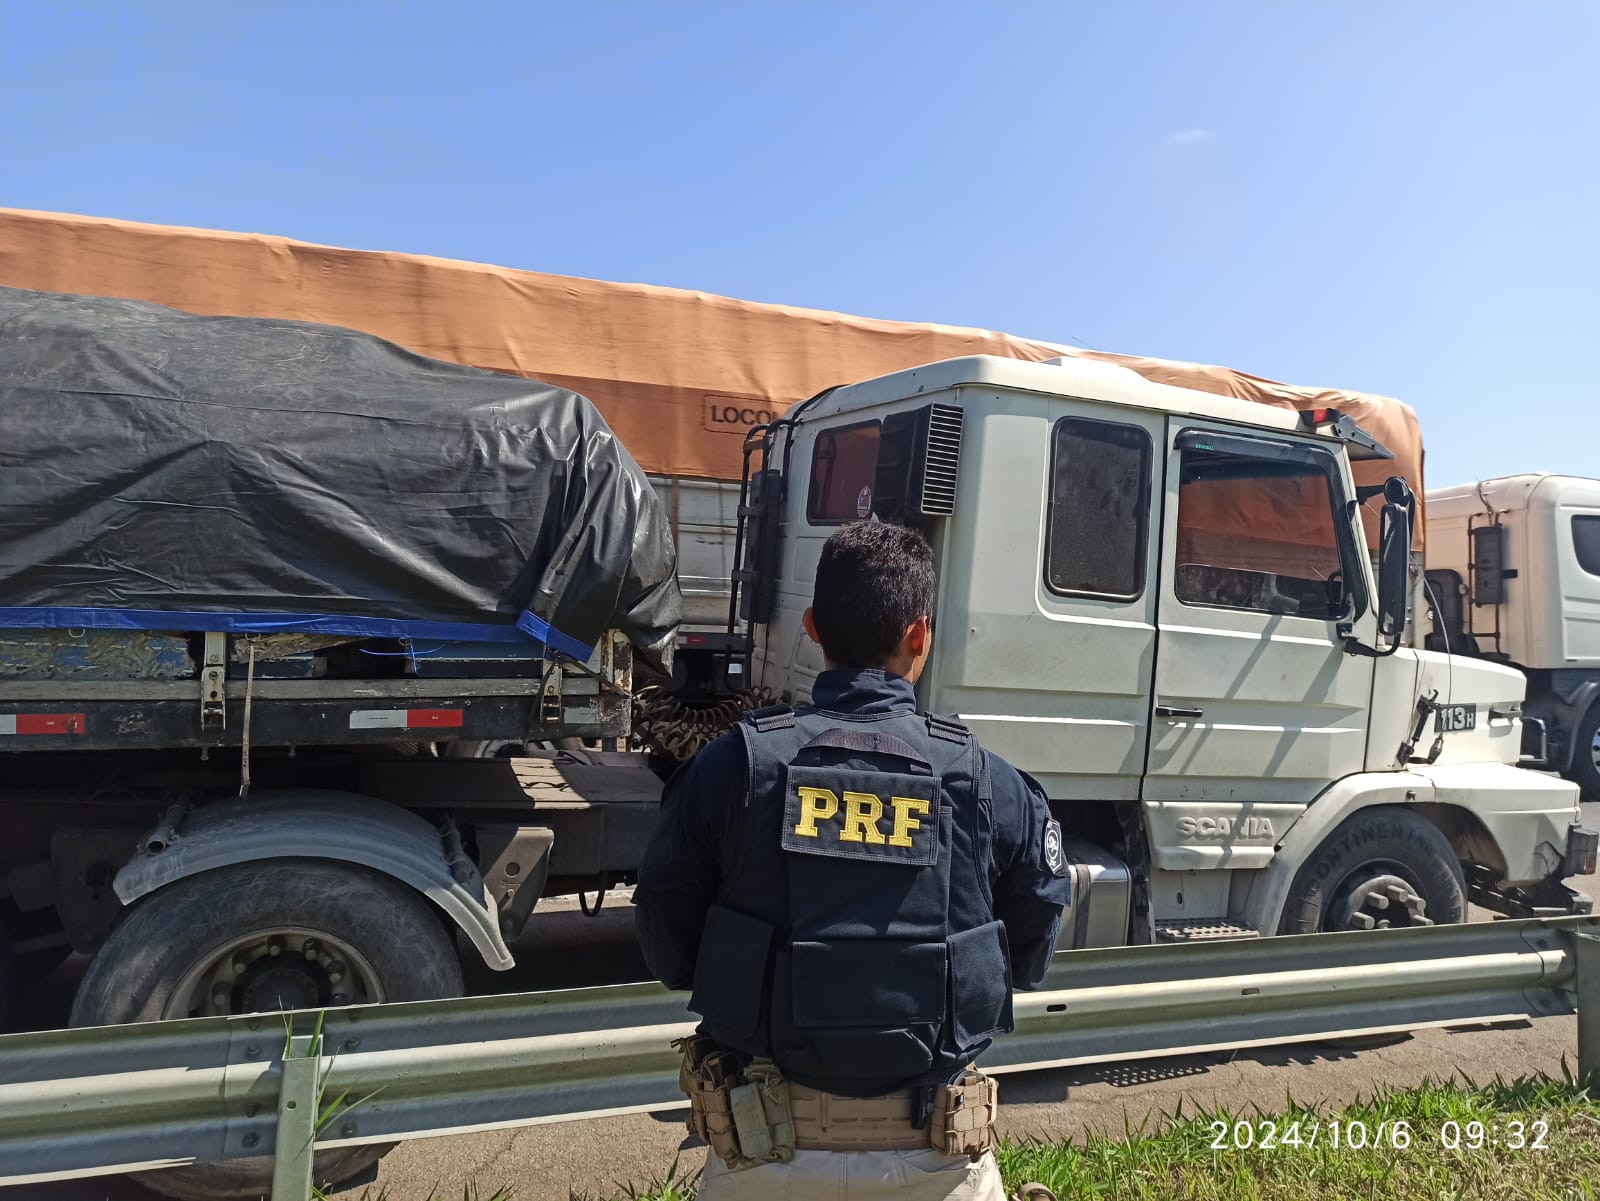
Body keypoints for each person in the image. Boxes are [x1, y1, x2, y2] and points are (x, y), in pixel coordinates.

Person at [634, 521, 1071, 1201]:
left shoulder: (734, 767)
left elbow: (666, 931)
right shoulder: (989, 780)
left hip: (762, 1159)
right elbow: (1036, 927)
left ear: (812, 625)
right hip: (936, 1164)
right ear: (919, 636)